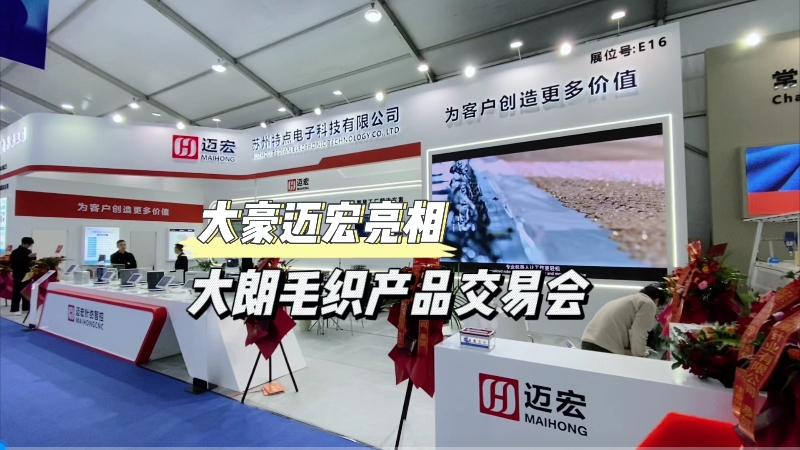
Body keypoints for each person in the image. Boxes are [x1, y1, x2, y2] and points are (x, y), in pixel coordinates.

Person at [581, 284, 667, 357]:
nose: (657, 311)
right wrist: (641, 355)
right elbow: (639, 332)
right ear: (657, 301)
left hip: (587, 342)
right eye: (659, 307)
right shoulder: (648, 303)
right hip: (605, 348)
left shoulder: (625, 300)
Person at [10, 237, 37, 316]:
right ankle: (14, 309)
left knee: (26, 291)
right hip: (18, 274)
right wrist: (28, 257)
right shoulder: (15, 252)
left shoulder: (29, 251)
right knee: (17, 292)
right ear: (24, 243)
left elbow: (30, 262)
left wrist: (33, 258)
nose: (29, 246)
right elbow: (16, 262)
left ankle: (25, 307)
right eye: (29, 244)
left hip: (27, 274)